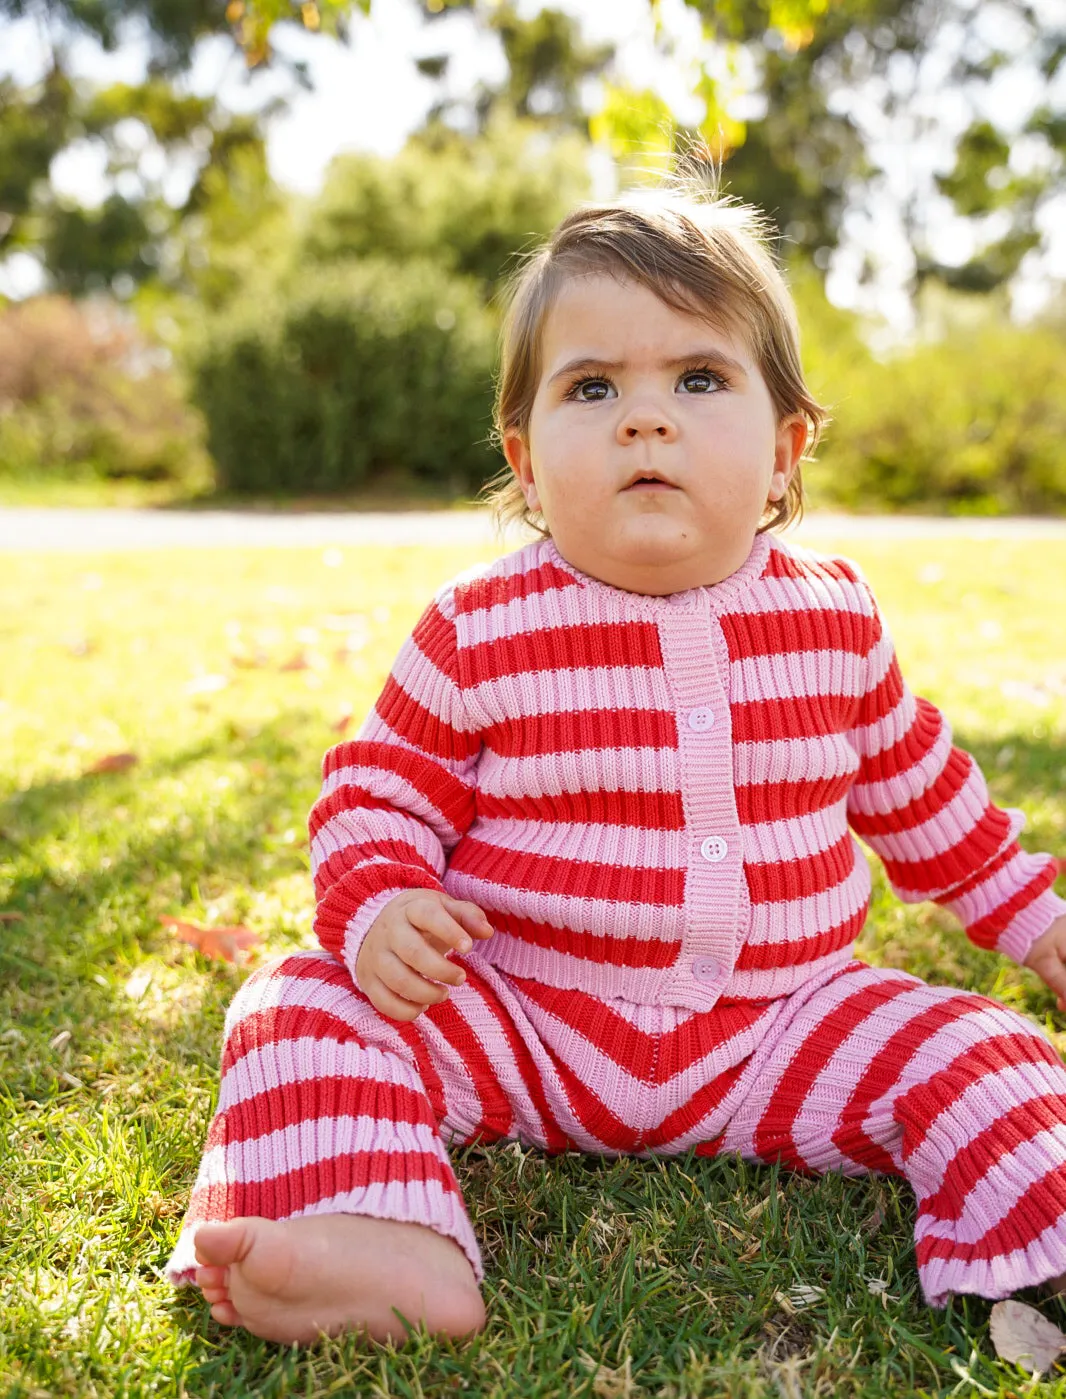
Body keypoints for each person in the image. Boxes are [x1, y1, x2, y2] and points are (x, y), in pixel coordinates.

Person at [164, 186, 1066, 1347]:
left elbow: (928, 801)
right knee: (301, 1003)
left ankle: (1034, 1228)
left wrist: (1037, 922)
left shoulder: (833, 621)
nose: (646, 419)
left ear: (786, 448)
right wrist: (380, 900)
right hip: (524, 1019)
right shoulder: (480, 627)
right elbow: (376, 786)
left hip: (780, 1030)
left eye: (698, 379)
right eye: (591, 388)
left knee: (984, 1054)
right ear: (525, 462)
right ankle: (378, 1239)